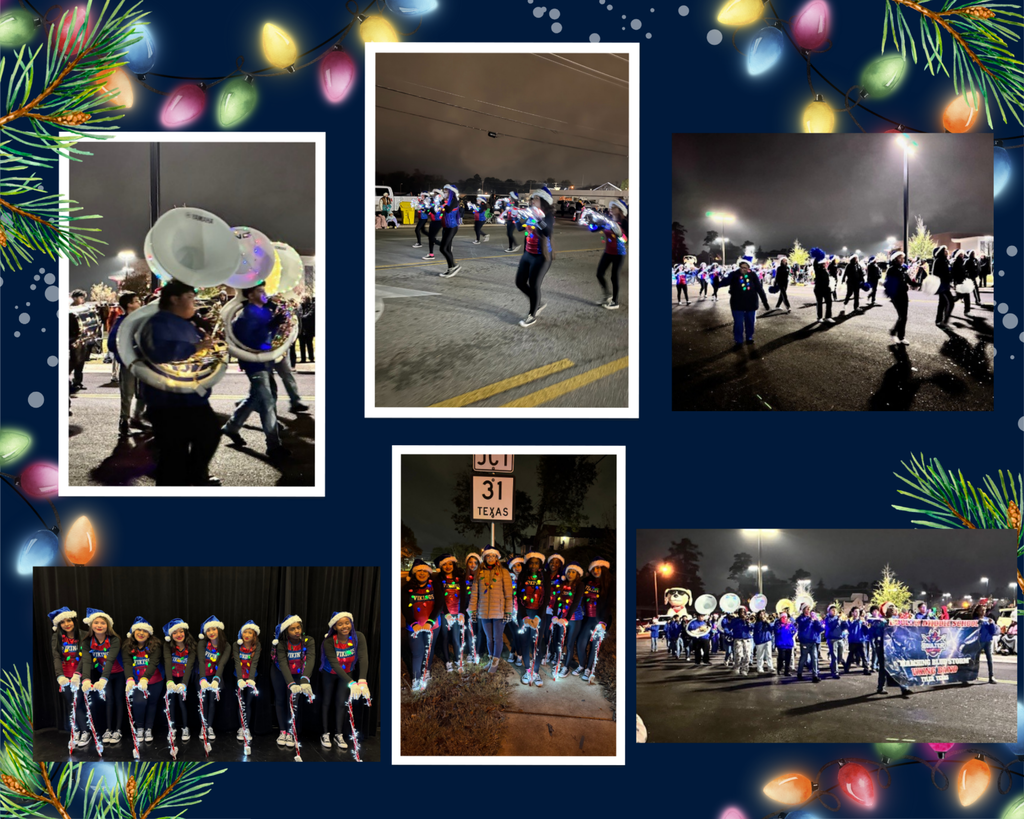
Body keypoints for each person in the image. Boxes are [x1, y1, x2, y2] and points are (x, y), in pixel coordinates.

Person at [140, 280, 222, 486]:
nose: (194, 303)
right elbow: (158, 352)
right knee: (173, 458)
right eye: (190, 298)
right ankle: (187, 480)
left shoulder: (188, 324)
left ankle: (193, 476)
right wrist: (195, 347)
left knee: (208, 436)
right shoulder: (157, 323)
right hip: (168, 401)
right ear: (174, 299)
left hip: (191, 397)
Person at [220, 284, 291, 460]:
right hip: (254, 364)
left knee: (257, 397)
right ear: (250, 295)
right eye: (260, 291)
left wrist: (280, 326)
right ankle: (273, 446)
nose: (264, 294)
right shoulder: (245, 315)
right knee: (267, 402)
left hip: (266, 361)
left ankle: (231, 427)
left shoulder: (264, 311)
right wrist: (271, 326)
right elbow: (249, 340)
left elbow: (269, 336)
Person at [319, 612, 368, 749]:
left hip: (347, 673)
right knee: (326, 702)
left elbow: (363, 658)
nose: (344, 626)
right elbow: (334, 663)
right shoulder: (328, 642)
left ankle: (338, 734)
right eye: (340, 624)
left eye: (347, 623)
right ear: (335, 627)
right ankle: (325, 733)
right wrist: (352, 682)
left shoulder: (358, 637)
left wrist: (362, 680)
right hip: (330, 673)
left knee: (341, 703)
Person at [78, 607, 123, 745]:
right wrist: (85, 679)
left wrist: (103, 679)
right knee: (108, 699)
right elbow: (86, 660)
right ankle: (109, 729)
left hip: (119, 673)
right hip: (103, 675)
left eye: (102, 623)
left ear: (107, 625)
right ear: (91, 625)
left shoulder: (114, 639)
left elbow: (110, 660)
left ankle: (118, 730)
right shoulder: (87, 642)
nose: (99, 625)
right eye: (96, 623)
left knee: (118, 700)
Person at [108, 291, 148, 439]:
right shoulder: (121, 322)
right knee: (127, 393)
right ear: (129, 305)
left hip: (143, 363)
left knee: (143, 392)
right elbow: (111, 344)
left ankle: (138, 418)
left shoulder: (142, 320)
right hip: (128, 363)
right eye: (137, 301)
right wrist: (126, 353)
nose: (140, 303)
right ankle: (124, 421)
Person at [513, 188, 556, 328]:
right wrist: (516, 217)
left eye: (536, 198)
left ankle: (532, 315)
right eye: (532, 198)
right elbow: (520, 228)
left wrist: (538, 219)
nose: (533, 201)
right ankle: (537, 302)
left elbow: (547, 231)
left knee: (534, 285)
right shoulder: (529, 212)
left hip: (541, 256)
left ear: (543, 201)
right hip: (527, 254)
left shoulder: (548, 216)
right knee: (519, 282)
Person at [271, 615, 316, 746]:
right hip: (279, 673)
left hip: (298, 674)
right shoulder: (281, 644)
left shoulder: (308, 640)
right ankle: (283, 731)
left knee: (293, 702)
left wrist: (304, 679)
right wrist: (290, 683)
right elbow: (283, 664)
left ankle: (291, 732)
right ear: (286, 632)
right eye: (292, 629)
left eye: (298, 627)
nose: (297, 631)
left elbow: (310, 659)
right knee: (280, 700)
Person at [469, 548, 514, 674]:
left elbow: (508, 594)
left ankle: (495, 661)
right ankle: (490, 658)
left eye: (493, 556)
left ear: (497, 558)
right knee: (489, 638)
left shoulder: (503, 572)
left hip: (499, 612)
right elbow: (474, 594)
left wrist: (508, 612)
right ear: (484, 557)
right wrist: (472, 609)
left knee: (497, 638)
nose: (490, 558)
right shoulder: (479, 572)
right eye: (488, 556)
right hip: (484, 611)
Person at [121, 616, 165, 745]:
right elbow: (127, 663)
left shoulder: (156, 645)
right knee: (139, 703)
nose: (141, 633)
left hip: (155, 679)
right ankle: (139, 728)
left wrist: (145, 678)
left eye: (144, 631)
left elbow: (153, 663)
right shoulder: (127, 646)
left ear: (149, 633)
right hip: (136, 681)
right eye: (138, 630)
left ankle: (148, 729)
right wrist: (129, 679)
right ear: (133, 632)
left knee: (152, 704)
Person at [49, 607, 88, 747]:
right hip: (65, 678)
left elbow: (85, 658)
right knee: (71, 704)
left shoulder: (84, 635)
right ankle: (76, 730)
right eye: (63, 622)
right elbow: (56, 657)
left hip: (81, 676)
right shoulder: (56, 638)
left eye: (69, 620)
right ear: (59, 625)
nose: (67, 624)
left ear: (74, 620)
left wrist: (78, 675)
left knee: (80, 704)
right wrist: (60, 676)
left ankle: (85, 731)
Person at [404, 558, 440, 692]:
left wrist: (430, 621)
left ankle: (427, 671)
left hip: (433, 625)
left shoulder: (435, 585)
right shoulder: (407, 588)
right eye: (419, 571)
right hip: (414, 627)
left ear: (429, 573)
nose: (422, 573)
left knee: (428, 650)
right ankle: (416, 678)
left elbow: (439, 604)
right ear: (414, 573)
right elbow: (405, 607)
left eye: (425, 571)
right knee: (417, 652)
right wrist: (413, 623)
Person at [573, 559, 611, 681]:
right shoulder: (586, 582)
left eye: (598, 568)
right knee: (581, 643)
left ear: (603, 569)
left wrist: (603, 622)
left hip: (599, 620)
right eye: (593, 568)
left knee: (594, 645)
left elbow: (608, 605)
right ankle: (581, 665)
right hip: (587, 618)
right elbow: (575, 583)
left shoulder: (610, 584)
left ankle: (589, 669)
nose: (595, 571)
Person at [718, 257, 770, 346]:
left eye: (745, 267)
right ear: (739, 267)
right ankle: (739, 340)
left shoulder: (753, 275)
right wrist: (716, 281)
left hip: (751, 303)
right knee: (738, 323)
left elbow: (759, 289)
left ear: (749, 268)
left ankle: (749, 337)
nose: (743, 269)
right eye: (742, 267)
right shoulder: (734, 275)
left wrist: (765, 302)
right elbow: (724, 283)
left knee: (750, 322)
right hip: (737, 303)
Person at [195, 616, 231, 742]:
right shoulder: (202, 643)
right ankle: (203, 727)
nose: (211, 632)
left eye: (213, 629)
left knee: (212, 702)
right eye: (208, 630)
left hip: (216, 676)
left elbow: (222, 664)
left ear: (219, 630)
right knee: (203, 702)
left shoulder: (226, 646)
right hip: (202, 676)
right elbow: (201, 660)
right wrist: (203, 678)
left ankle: (209, 727)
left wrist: (216, 679)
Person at [517, 551, 549, 686]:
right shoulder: (522, 575)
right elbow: (519, 597)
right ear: (528, 564)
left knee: (537, 644)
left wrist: (537, 617)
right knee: (525, 642)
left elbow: (546, 598)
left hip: (539, 615)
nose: (534, 565)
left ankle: (536, 672)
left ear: (540, 563)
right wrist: (524, 617)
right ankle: (527, 670)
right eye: (531, 562)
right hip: (524, 614)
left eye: (536, 563)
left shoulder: (545, 576)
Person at [162, 617, 196, 744]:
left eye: (180, 631)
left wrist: (184, 683)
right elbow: (167, 661)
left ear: (185, 632)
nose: (178, 635)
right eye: (174, 632)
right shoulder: (167, 645)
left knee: (182, 702)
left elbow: (190, 665)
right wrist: (169, 681)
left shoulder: (191, 645)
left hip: (184, 678)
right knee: (171, 703)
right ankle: (172, 728)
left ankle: (185, 728)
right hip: (172, 678)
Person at [548, 562, 584, 678]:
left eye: (573, 572)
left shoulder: (580, 585)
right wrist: (555, 615)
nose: (570, 574)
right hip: (562, 617)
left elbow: (575, 603)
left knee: (569, 644)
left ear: (577, 574)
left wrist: (567, 619)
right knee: (559, 642)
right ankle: (558, 661)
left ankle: (566, 667)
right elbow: (557, 601)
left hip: (574, 618)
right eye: (569, 571)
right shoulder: (562, 584)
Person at [591, 199, 628, 310]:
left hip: (619, 253)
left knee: (614, 276)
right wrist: (592, 223)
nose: (611, 209)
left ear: (620, 210)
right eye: (611, 207)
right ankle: (607, 295)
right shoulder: (608, 221)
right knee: (599, 274)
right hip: (608, 252)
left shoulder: (625, 223)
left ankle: (615, 302)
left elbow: (626, 240)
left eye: (614, 207)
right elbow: (594, 229)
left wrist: (620, 233)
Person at [433, 554, 464, 672]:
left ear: (454, 564)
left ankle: (457, 659)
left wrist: (461, 613)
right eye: (444, 564)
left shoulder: (460, 579)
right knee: (445, 638)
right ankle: (447, 661)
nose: (447, 566)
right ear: (441, 566)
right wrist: (446, 613)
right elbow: (440, 598)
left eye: (450, 564)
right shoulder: (438, 580)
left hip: (457, 613)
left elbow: (464, 597)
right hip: (444, 614)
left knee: (456, 639)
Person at [871, 604, 910, 697]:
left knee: (899, 666)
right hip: (883, 647)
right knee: (883, 668)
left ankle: (904, 687)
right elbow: (876, 632)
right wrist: (885, 624)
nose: (894, 611)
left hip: (894, 647)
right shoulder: (880, 621)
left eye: (894, 609)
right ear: (886, 611)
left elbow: (904, 632)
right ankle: (880, 687)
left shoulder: (896, 620)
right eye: (891, 610)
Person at [234, 620, 261, 743]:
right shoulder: (236, 645)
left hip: (251, 678)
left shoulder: (257, 646)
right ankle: (241, 727)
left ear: (254, 635)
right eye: (245, 632)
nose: (247, 635)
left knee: (248, 703)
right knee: (241, 703)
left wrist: (251, 679)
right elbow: (236, 663)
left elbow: (254, 663)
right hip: (239, 677)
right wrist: (240, 679)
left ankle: (247, 728)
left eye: (250, 632)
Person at [884, 251, 912, 345]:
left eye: (903, 258)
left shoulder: (903, 269)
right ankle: (901, 337)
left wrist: (920, 284)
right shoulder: (891, 270)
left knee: (903, 317)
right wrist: (891, 294)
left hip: (904, 295)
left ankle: (894, 332)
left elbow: (909, 281)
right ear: (895, 259)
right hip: (896, 296)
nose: (902, 259)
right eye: (900, 258)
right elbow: (888, 284)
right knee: (902, 316)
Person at [436, 184, 462, 278]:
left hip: (452, 227)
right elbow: (443, 213)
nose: (444, 193)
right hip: (446, 227)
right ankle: (451, 267)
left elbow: (448, 210)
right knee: (447, 249)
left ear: (451, 192)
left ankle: (454, 266)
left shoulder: (454, 200)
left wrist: (443, 203)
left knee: (442, 248)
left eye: (446, 191)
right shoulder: (448, 201)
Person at [504, 556, 525, 666]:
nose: (517, 568)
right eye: (514, 566)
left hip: (522, 611)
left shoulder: (526, 578)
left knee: (520, 634)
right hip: (511, 610)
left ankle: (517, 654)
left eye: (519, 565)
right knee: (514, 634)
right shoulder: (508, 579)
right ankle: (514, 653)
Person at [795, 606, 824, 682]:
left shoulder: (812, 618)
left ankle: (815, 675)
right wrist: (810, 619)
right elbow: (803, 626)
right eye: (807, 609)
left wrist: (818, 621)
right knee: (803, 658)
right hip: (804, 641)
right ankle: (799, 673)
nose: (808, 610)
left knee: (814, 658)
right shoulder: (800, 618)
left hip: (813, 641)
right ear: (803, 610)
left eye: (809, 609)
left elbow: (819, 629)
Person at [69, 289, 89, 391]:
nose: (82, 300)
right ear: (74, 298)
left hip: (81, 339)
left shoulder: (83, 309)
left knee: (81, 361)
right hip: (72, 339)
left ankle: (78, 381)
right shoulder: (69, 309)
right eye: (81, 298)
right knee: (74, 361)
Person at [974, 604, 998, 684]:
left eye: (984, 610)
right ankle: (974, 675)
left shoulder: (988, 620)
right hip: (978, 642)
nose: (983, 612)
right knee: (976, 659)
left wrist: (991, 624)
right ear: (977, 611)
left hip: (988, 641)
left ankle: (991, 676)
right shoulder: (974, 620)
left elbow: (993, 632)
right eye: (981, 610)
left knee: (990, 659)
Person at [810, 248, 834, 324]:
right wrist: (817, 256)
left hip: (826, 289)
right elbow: (815, 263)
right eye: (824, 263)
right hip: (819, 288)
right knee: (819, 303)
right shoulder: (817, 269)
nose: (826, 264)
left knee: (829, 302)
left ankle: (828, 317)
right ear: (821, 263)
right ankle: (819, 317)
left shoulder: (825, 270)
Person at [842, 608, 869, 674]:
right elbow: (849, 628)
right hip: (852, 640)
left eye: (858, 612)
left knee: (863, 655)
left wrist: (865, 626)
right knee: (851, 655)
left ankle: (866, 668)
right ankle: (847, 668)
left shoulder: (862, 621)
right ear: (852, 613)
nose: (856, 613)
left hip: (860, 640)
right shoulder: (849, 621)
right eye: (855, 612)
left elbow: (866, 632)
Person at [728, 608, 753, 675]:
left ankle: (745, 669)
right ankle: (737, 668)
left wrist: (749, 623)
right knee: (738, 654)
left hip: (747, 638)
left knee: (747, 655)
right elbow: (730, 627)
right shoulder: (735, 620)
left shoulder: (748, 620)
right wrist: (740, 620)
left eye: (744, 612)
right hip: (738, 638)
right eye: (741, 612)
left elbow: (752, 628)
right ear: (738, 613)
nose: (743, 613)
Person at [932, 245, 953, 326]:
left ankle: (939, 320)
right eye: (945, 251)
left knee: (942, 303)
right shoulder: (938, 260)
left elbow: (948, 272)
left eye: (946, 250)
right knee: (950, 302)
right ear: (941, 252)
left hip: (946, 284)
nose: (946, 252)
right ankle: (944, 320)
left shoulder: (946, 261)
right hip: (942, 286)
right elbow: (935, 273)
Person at [823, 605, 845, 679]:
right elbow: (831, 627)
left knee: (840, 656)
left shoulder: (838, 618)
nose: (834, 611)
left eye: (835, 610)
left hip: (840, 638)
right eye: (832, 610)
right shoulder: (827, 619)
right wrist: (837, 620)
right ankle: (835, 672)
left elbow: (843, 627)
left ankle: (833, 665)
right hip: (832, 639)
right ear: (829, 611)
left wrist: (845, 622)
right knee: (834, 656)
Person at [421, 190, 443, 260]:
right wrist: (424, 209)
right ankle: (431, 254)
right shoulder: (433, 203)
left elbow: (435, 212)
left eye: (436, 194)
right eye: (434, 193)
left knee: (432, 238)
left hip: (438, 221)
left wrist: (430, 206)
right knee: (430, 238)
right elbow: (429, 212)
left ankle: (445, 245)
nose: (434, 195)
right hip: (433, 221)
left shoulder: (440, 203)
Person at [950, 249, 971, 318]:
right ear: (958, 255)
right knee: (957, 297)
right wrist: (954, 283)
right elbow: (953, 273)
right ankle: (948, 304)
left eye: (963, 254)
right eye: (961, 254)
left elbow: (964, 271)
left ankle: (967, 311)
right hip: (959, 282)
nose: (962, 255)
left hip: (963, 282)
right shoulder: (956, 263)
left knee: (966, 296)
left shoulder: (963, 262)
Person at [298, 296, 315, 364]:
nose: (303, 300)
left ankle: (311, 357)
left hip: (309, 328)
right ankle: (303, 358)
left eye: (304, 298)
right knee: (302, 344)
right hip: (301, 328)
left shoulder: (312, 306)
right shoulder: (300, 306)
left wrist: (301, 317)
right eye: (302, 298)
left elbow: (310, 315)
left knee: (309, 344)